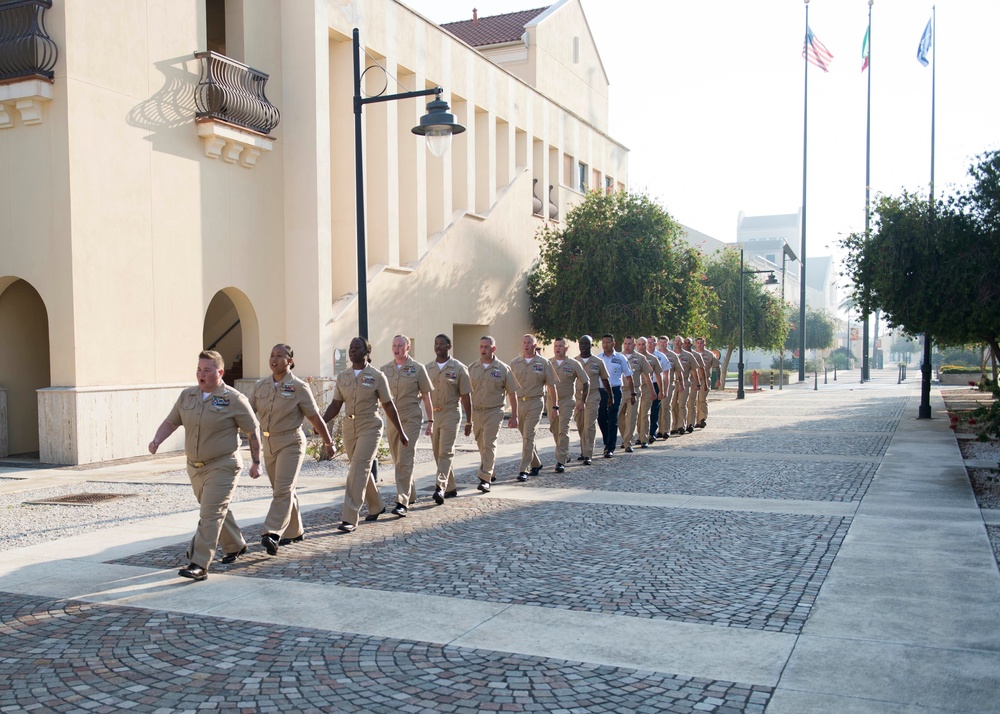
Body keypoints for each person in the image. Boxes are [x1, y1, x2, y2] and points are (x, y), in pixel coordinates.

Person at [148, 350, 261, 582]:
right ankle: (236, 545)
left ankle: (199, 563)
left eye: (207, 370)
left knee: (209, 513)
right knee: (217, 509)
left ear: (219, 372)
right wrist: (157, 439)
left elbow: (252, 431)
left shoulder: (234, 399)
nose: (201, 374)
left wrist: (257, 462)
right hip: (195, 467)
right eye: (199, 369)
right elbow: (171, 421)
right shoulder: (187, 396)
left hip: (223, 465)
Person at [249, 344, 334, 557]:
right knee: (284, 490)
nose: (274, 359)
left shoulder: (299, 387)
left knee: (283, 490)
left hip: (291, 443)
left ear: (290, 361)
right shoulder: (261, 387)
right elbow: (247, 415)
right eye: (272, 355)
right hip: (268, 444)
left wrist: (328, 442)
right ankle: (295, 530)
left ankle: (272, 532)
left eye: (280, 356)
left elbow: (315, 417)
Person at [322, 337, 408, 533]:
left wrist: (401, 432)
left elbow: (388, 405)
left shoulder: (377, 376)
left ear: (367, 352)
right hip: (349, 428)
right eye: (351, 347)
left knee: (357, 471)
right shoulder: (343, 376)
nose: (352, 350)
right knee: (360, 469)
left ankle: (350, 516)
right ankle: (376, 505)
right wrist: (320, 423)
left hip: (370, 426)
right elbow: (335, 405)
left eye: (357, 347)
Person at [381, 335, 434, 517]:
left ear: (408, 347)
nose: (397, 348)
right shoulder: (384, 370)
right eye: (394, 345)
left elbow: (426, 396)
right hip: (392, 421)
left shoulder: (418, 369)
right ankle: (410, 493)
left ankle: (402, 501)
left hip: (411, 419)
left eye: (400, 345)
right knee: (398, 460)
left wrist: (430, 421)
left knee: (404, 458)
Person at [425, 334, 472, 504]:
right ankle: (451, 486)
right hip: (434, 414)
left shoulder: (459, 368)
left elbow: (466, 396)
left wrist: (469, 421)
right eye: (436, 343)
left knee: (446, 450)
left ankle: (440, 487)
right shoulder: (428, 368)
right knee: (438, 452)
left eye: (441, 343)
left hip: (451, 411)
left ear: (449, 346)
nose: (438, 346)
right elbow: (422, 394)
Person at [467, 335, 518, 492]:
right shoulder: (472, 368)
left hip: (494, 411)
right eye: (481, 346)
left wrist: (515, 416)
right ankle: (491, 470)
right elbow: (465, 392)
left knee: (489, 443)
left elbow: (512, 393)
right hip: (477, 412)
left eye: (486, 347)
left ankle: (485, 478)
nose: (483, 350)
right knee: (482, 444)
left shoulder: (502, 369)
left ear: (493, 349)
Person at [509, 334, 557, 482]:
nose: (526, 345)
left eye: (529, 343)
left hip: (535, 402)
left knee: (529, 435)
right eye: (524, 343)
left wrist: (555, 406)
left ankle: (524, 469)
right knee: (526, 436)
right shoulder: (515, 363)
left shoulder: (543, 363)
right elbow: (509, 386)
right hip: (519, 403)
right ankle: (536, 462)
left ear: (535, 345)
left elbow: (551, 385)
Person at [547, 337, 589, 472]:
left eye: (560, 346)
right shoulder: (548, 363)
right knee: (554, 429)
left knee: (563, 429)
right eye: (556, 346)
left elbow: (586, 382)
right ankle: (565, 455)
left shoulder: (573, 364)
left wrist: (583, 401)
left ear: (566, 348)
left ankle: (560, 462)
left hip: (566, 400)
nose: (557, 348)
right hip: (551, 401)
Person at [574, 335, 612, 465]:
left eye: (586, 344)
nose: (583, 346)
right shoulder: (575, 361)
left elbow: (605, 380)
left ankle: (588, 454)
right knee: (580, 425)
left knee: (589, 425)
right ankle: (583, 450)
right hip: (578, 397)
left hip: (593, 396)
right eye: (581, 344)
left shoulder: (598, 362)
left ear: (591, 345)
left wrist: (610, 396)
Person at [596, 334, 635, 458]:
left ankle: (610, 447)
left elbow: (629, 376)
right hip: (601, 391)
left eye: (608, 342)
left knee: (613, 418)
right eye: (603, 342)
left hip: (616, 390)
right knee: (601, 418)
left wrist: (633, 393)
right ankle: (607, 440)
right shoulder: (598, 359)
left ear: (614, 344)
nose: (605, 345)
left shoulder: (620, 358)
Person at [619, 336, 654, 452]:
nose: (627, 346)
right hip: (619, 390)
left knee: (631, 417)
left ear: (634, 345)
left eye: (630, 344)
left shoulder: (640, 358)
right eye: (625, 343)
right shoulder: (618, 357)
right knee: (618, 417)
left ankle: (628, 443)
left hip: (633, 391)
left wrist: (652, 392)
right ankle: (625, 437)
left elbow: (647, 377)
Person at [636, 337, 662, 448]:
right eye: (639, 344)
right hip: (635, 387)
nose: (641, 346)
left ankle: (644, 438)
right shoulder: (633, 358)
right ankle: (639, 435)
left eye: (643, 344)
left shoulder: (653, 359)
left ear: (647, 345)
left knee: (645, 413)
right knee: (636, 414)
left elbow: (658, 375)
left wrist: (661, 390)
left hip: (647, 387)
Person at [693, 337, 721, 428]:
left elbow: (717, 366)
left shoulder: (709, 354)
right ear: (695, 344)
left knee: (702, 399)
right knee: (692, 401)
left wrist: (718, 379)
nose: (700, 345)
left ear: (704, 344)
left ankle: (701, 419)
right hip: (693, 380)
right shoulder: (692, 354)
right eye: (698, 343)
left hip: (704, 380)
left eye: (701, 343)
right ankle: (691, 421)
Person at [653, 336, 677, 439]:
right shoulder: (654, 355)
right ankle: (659, 429)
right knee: (658, 408)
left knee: (666, 406)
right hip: (656, 384)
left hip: (668, 383)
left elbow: (677, 370)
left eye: (665, 342)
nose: (662, 344)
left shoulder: (672, 355)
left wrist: (679, 383)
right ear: (658, 343)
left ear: (668, 343)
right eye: (661, 342)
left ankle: (666, 430)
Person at [669, 335, 693, 435]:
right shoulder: (669, 355)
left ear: (682, 343)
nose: (678, 343)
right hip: (672, 383)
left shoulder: (688, 355)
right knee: (673, 405)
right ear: (673, 343)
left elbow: (695, 370)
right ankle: (674, 426)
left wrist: (698, 383)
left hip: (685, 382)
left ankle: (681, 425)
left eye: (680, 341)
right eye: (676, 341)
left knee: (682, 404)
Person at [683, 337, 706, 433]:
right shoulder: (678, 355)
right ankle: (679, 424)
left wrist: (703, 383)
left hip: (693, 382)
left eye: (689, 343)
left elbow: (701, 369)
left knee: (691, 402)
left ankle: (690, 423)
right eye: (686, 342)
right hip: (683, 382)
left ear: (692, 344)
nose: (687, 344)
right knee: (680, 404)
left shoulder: (696, 355)